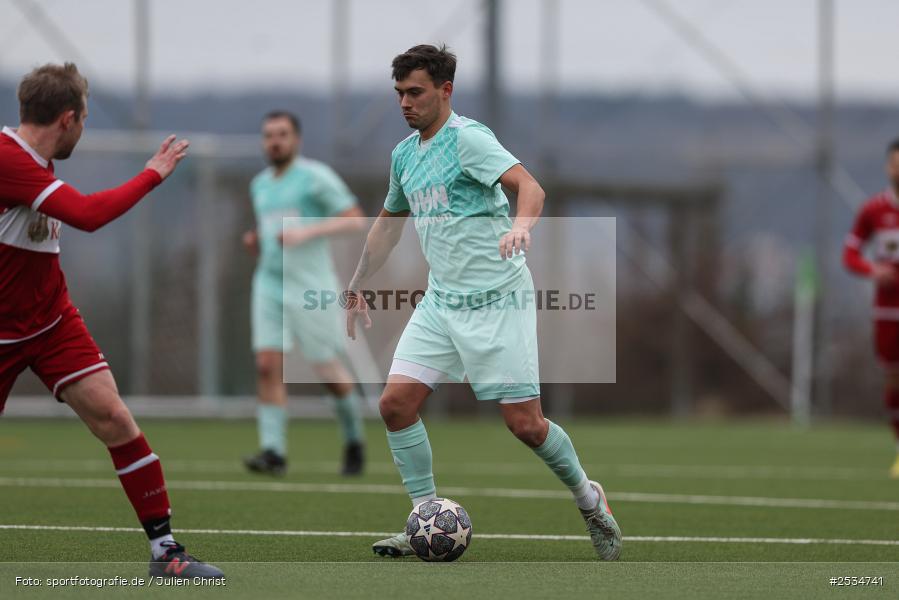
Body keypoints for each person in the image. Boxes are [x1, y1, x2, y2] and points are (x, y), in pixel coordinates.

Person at [345, 45, 621, 560]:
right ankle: (424, 518)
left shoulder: (468, 140)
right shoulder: (404, 155)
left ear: (445, 91)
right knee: (394, 405)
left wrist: (520, 226)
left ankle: (590, 500)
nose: (405, 103)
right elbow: (388, 226)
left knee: (525, 425)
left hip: (498, 301)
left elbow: (530, 188)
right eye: (399, 94)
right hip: (442, 303)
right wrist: (358, 281)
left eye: (416, 92)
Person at [0, 63, 222, 577]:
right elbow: (89, 215)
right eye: (83, 120)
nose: (83, 129)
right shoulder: (10, 160)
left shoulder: (34, 158)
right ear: (68, 117)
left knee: (115, 419)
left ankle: (166, 554)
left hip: (51, 322)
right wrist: (152, 174)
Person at [242, 110, 367, 476]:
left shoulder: (316, 177)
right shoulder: (260, 184)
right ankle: (273, 451)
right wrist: (257, 241)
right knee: (267, 366)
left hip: (311, 286)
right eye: (268, 135)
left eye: (282, 134)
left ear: (296, 139)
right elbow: (270, 231)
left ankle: (353, 438)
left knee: (326, 369)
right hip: (268, 284)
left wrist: (306, 232)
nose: (274, 141)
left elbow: (356, 219)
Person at [843, 138, 899, 478]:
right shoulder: (873, 210)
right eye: (896, 162)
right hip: (888, 311)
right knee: (893, 379)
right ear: (887, 167)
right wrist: (872, 270)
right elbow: (849, 254)